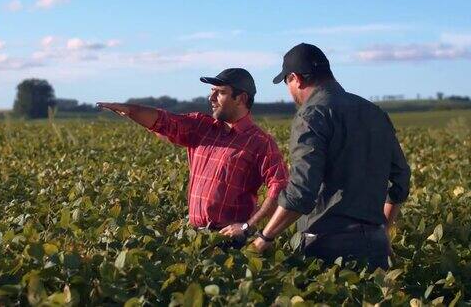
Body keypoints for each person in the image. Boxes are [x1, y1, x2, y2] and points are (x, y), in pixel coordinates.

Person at [251, 43, 411, 270]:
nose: (289, 90)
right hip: (375, 245)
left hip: (327, 247)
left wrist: (265, 237)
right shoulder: (374, 112)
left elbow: (301, 192)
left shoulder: (312, 114)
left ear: (296, 78)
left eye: (287, 82)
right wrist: (383, 227)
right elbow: (401, 177)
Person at [98, 68, 289, 249]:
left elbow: (280, 186)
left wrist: (249, 227)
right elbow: (164, 121)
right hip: (194, 236)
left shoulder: (260, 142)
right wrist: (130, 110)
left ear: (241, 98)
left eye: (220, 92)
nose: (211, 98)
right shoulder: (201, 127)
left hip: (231, 241)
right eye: (212, 91)